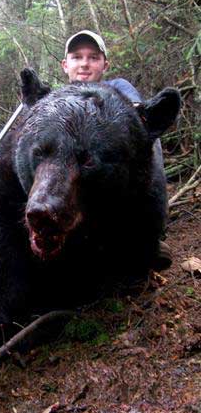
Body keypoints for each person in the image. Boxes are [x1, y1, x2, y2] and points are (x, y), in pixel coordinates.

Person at [61, 29, 172, 268]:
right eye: (77, 57)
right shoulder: (56, 100)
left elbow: (137, 111)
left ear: (105, 64)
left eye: (93, 57)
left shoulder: (118, 87)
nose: (84, 64)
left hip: (109, 182)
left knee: (147, 136)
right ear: (65, 64)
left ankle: (152, 234)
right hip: (67, 185)